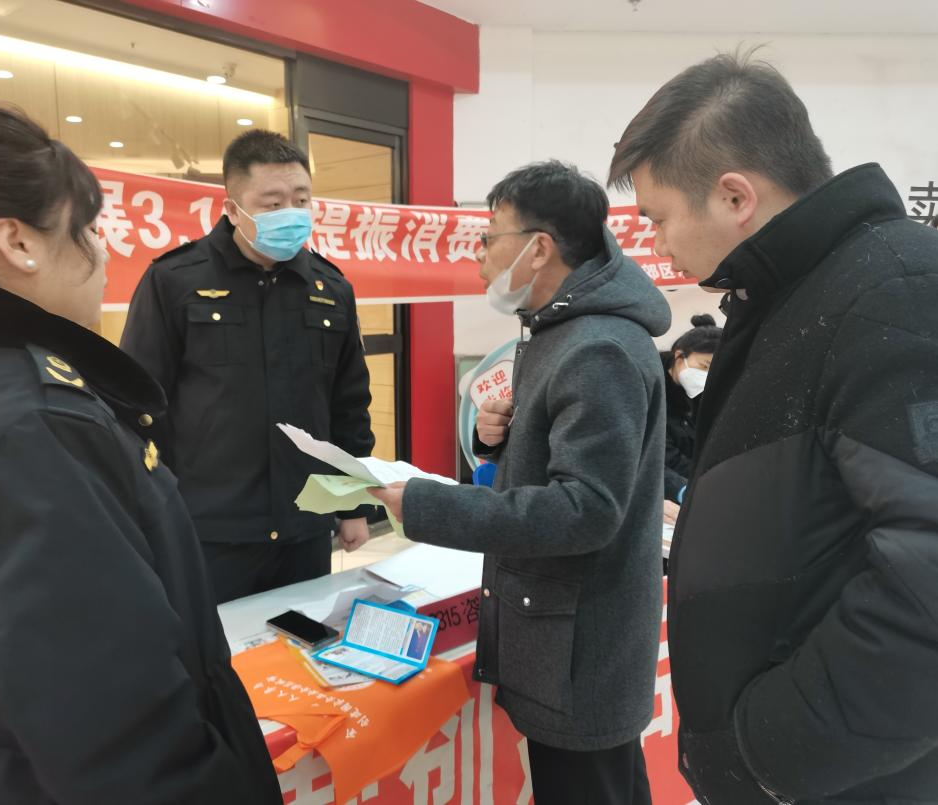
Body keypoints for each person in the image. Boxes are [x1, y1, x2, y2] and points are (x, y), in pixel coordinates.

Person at [0, 91, 282, 805]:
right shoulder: (36, 430)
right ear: (17, 241)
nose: (102, 253)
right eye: (85, 228)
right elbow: (127, 740)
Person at [609, 51, 938, 804]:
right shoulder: (788, 296)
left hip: (849, 781)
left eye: (658, 217)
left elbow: (926, 586)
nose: (655, 242)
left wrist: (767, 751)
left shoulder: (896, 291)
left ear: (734, 196)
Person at [373, 160, 670, 805]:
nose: (480, 257)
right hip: (566, 636)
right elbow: (562, 462)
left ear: (538, 249)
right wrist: (497, 439)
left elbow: (584, 510)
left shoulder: (597, 347)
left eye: (489, 238)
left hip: (581, 645)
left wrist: (424, 505)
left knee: (590, 789)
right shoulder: (558, 331)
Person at [121, 130, 374, 605]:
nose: (291, 213)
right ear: (233, 209)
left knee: (303, 643)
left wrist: (352, 504)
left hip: (304, 524)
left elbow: (348, 406)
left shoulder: (330, 289)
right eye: (273, 203)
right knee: (216, 646)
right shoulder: (174, 281)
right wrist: (150, 510)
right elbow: (138, 405)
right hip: (210, 528)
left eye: (301, 200)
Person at [661, 313, 721, 526]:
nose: (708, 375)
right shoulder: (651, 389)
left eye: (714, 370)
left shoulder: (699, 394)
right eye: (704, 366)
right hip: (666, 496)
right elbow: (653, 457)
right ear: (679, 356)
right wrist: (685, 489)